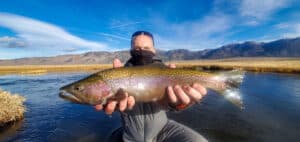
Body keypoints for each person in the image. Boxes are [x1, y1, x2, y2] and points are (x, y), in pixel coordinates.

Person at [94, 31, 208, 142]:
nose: (141, 51)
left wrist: (179, 105)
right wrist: (108, 102)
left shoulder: (166, 72)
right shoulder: (118, 75)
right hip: (131, 136)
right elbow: (106, 101)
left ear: (154, 50)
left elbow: (173, 105)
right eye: (137, 49)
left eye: (146, 48)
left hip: (164, 130)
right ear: (131, 51)